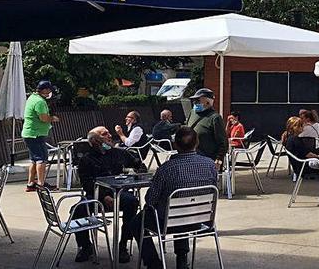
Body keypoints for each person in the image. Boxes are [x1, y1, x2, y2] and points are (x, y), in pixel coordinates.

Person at [131, 126, 217, 269]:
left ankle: (154, 264)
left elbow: (150, 200)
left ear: (175, 144)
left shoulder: (166, 169)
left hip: (169, 223)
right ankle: (182, 259)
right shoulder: (210, 165)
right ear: (197, 143)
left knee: (137, 222)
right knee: (181, 210)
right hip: (201, 220)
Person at [73, 126, 147, 263]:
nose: (109, 136)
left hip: (119, 193)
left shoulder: (118, 153)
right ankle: (85, 246)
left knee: (132, 202)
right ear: (95, 141)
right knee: (77, 210)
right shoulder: (86, 159)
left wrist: (138, 170)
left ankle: (123, 244)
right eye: (104, 134)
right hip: (96, 196)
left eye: (108, 133)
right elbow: (87, 184)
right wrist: (103, 196)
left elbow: (139, 165)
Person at [22, 80, 59, 192]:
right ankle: (41, 184)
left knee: (34, 159)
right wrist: (53, 118)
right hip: (36, 134)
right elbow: (43, 118)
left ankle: (31, 183)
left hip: (30, 134)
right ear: (45, 90)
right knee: (41, 159)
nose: (50, 93)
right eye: (49, 90)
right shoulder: (39, 102)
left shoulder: (32, 98)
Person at [185, 88, 227, 169]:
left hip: (207, 159)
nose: (195, 103)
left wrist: (219, 159)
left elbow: (223, 141)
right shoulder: (192, 113)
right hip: (191, 156)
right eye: (194, 100)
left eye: (198, 100)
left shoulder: (215, 118)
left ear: (208, 102)